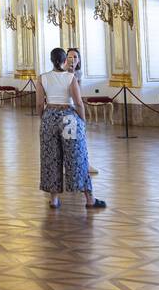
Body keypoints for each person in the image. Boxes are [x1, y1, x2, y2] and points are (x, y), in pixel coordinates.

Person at [35, 47, 106, 211]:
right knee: (77, 157)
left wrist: (44, 117)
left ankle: (54, 199)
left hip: (49, 116)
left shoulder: (42, 78)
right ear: (65, 61)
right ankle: (89, 198)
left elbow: (39, 103)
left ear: (51, 60)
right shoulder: (70, 77)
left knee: (50, 158)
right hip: (69, 118)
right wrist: (82, 120)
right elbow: (78, 102)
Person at [65, 45, 98, 177]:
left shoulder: (78, 73)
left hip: (75, 107)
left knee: (80, 138)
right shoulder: (62, 73)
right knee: (69, 139)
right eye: (70, 57)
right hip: (67, 109)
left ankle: (84, 163)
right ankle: (68, 165)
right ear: (65, 59)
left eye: (75, 57)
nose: (73, 59)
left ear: (79, 60)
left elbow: (78, 93)